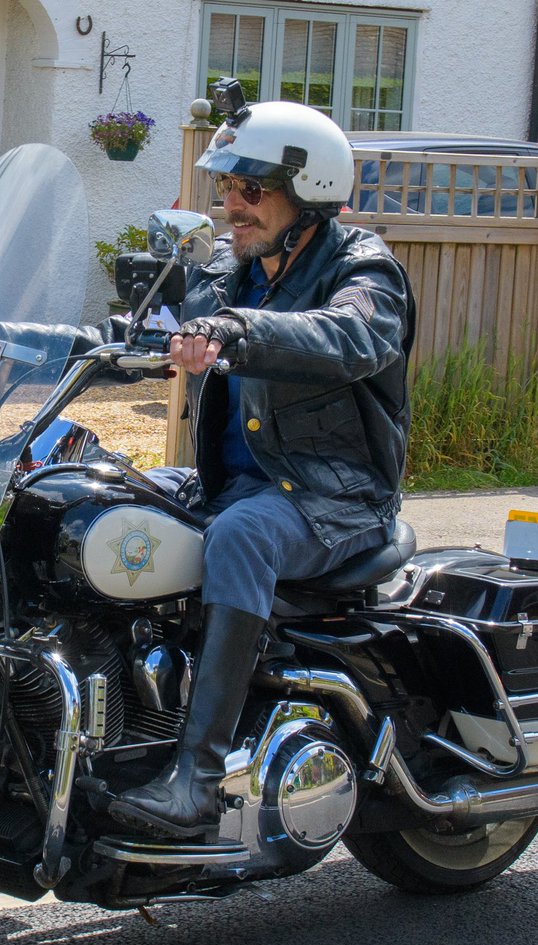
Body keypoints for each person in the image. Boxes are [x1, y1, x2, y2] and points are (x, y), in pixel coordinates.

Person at [107, 81, 416, 842]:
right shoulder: (240, 269)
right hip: (244, 482)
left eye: (252, 190)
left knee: (242, 535)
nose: (233, 205)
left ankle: (198, 780)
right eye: (228, 188)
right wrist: (40, 338)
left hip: (332, 495)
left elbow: (348, 338)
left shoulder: (365, 272)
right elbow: (170, 320)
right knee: (94, 501)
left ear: (308, 195)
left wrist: (236, 331)